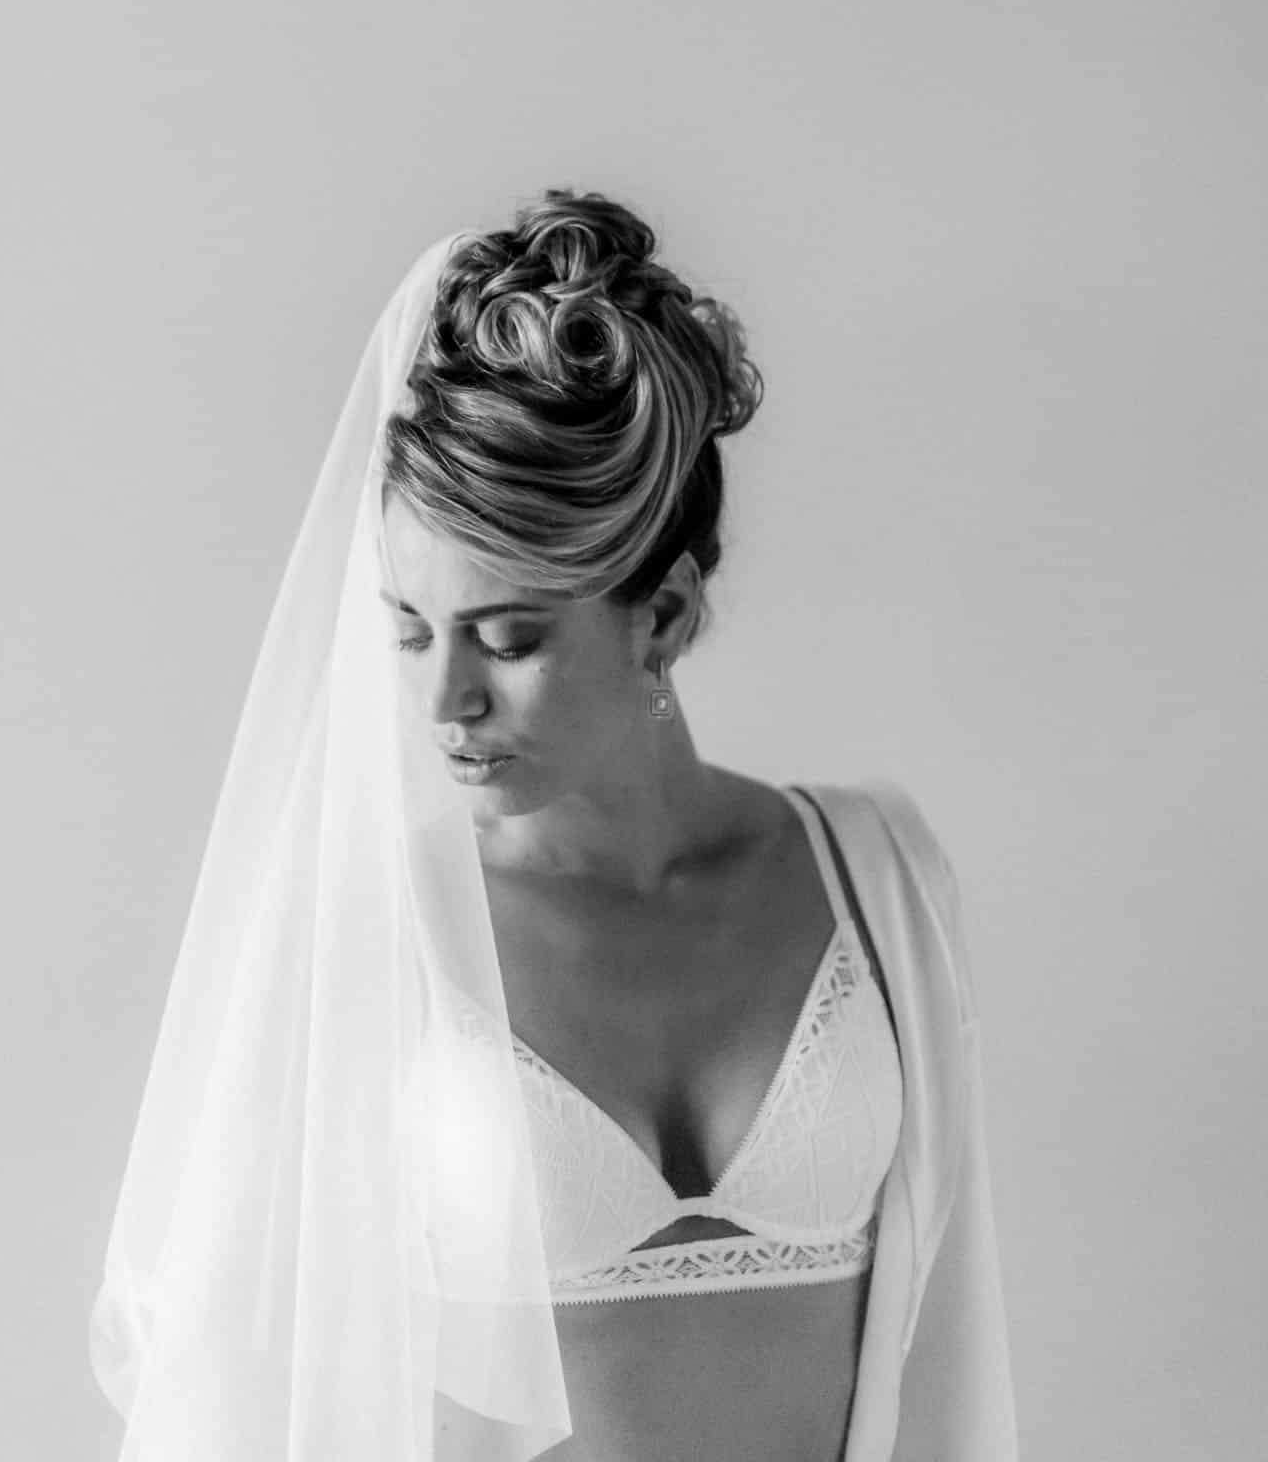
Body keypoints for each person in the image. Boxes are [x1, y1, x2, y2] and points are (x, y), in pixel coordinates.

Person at [90, 190, 1018, 1461]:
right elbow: (236, 1382)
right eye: (410, 631)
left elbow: (951, 1347)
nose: (444, 699)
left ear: (668, 618)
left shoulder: (879, 875)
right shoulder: (364, 938)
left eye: (511, 637)